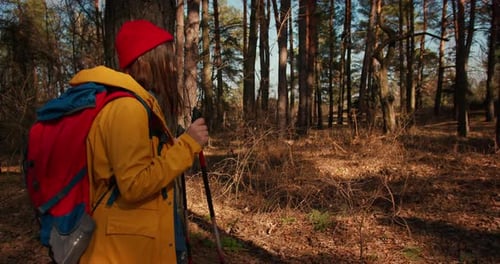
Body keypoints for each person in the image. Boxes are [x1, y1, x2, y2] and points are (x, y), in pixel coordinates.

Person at [72, 19, 208, 263]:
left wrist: (173, 146)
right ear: (144, 62)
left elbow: (136, 165)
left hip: (132, 243)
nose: (172, 68)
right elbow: (134, 184)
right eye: (166, 59)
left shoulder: (134, 104)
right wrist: (188, 146)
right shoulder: (128, 108)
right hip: (121, 251)